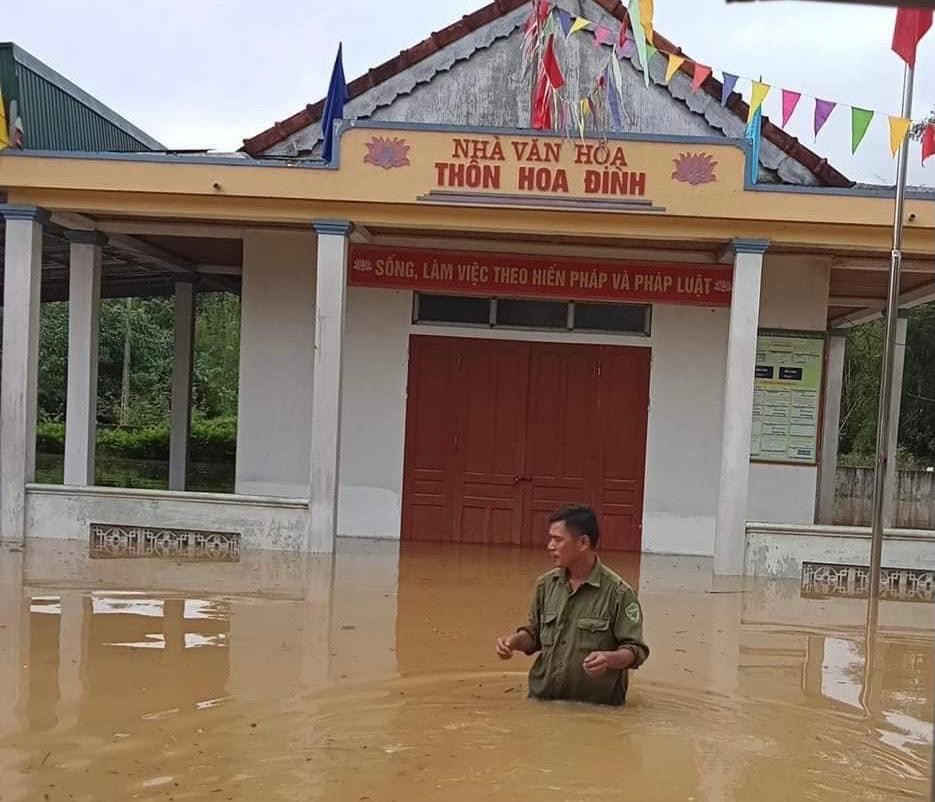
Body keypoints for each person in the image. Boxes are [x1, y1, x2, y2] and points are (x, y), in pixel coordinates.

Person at [495, 504, 648, 706]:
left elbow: (636, 650)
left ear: (583, 542)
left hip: (597, 710)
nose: (550, 546)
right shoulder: (545, 585)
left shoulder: (619, 593)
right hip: (543, 702)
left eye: (557, 539)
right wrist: (513, 642)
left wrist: (608, 659)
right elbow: (535, 635)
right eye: (550, 538)